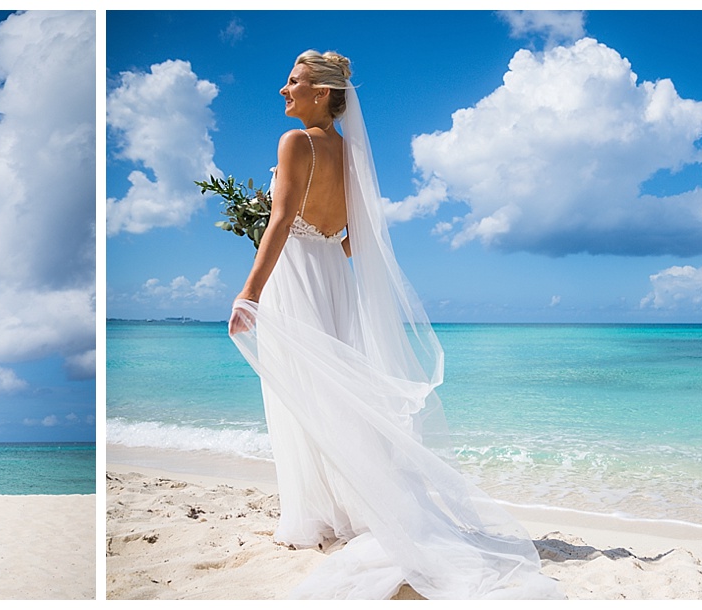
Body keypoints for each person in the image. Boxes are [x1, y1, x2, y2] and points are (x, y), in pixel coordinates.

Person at [226, 50, 562, 600]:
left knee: (305, 394)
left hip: (300, 276)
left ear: (322, 93)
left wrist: (248, 294)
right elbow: (356, 240)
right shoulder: (348, 152)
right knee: (332, 394)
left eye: (294, 82)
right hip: (335, 274)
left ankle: (315, 517)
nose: (283, 91)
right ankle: (352, 508)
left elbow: (283, 221)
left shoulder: (296, 143)